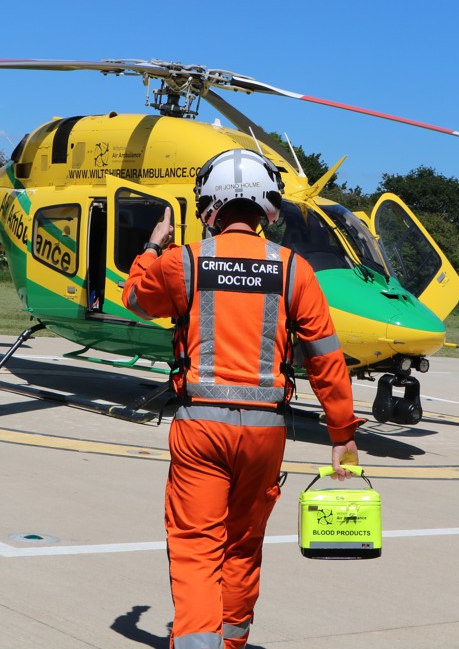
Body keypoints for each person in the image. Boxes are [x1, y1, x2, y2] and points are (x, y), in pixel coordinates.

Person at [122, 147, 363, 649]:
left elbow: (137, 299)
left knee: (196, 547)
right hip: (265, 432)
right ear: (267, 206)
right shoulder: (294, 269)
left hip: (200, 429)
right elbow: (324, 357)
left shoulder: (184, 261)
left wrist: (152, 245)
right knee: (242, 545)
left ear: (209, 205)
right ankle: (230, 641)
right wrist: (341, 432)